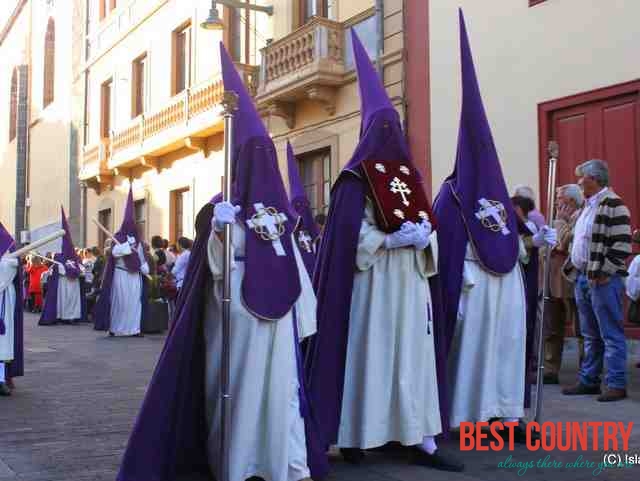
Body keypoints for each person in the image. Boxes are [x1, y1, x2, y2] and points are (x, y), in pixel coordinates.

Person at [115, 42, 327, 481]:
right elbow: (212, 271)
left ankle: (285, 463)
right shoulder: (220, 207)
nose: (264, 163)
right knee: (242, 395)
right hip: (238, 322)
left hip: (277, 323)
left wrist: (303, 312)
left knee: (280, 394)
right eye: (256, 157)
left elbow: (292, 263)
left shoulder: (280, 211)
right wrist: (218, 232)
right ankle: (239, 463)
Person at [306, 30, 460, 471]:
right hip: (372, 289)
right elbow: (347, 240)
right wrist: (386, 239)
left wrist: (423, 237)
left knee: (412, 360)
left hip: (410, 287)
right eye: (382, 127)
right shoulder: (353, 182)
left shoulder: (411, 178)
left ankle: (416, 435)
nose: (391, 133)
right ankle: (357, 437)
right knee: (370, 358)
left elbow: (427, 225)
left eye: (395, 126)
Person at [433, 10, 556, 441]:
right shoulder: (450, 195)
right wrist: (466, 274)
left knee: (505, 351)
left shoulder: (502, 198)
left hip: (506, 288)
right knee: (473, 354)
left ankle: (506, 414)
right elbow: (445, 246)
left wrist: (535, 242)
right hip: (473, 287)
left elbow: (513, 241)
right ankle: (468, 417)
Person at [561, 159, 632, 402]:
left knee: (610, 333)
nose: (579, 182)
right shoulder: (586, 207)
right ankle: (589, 381)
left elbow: (622, 244)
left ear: (595, 179)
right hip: (583, 277)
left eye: (582, 177)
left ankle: (616, 384)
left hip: (602, 280)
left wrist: (605, 273)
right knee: (589, 334)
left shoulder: (614, 204)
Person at [93, 188, 150, 337]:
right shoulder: (118, 237)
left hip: (135, 276)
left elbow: (142, 258)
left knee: (134, 304)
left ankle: (134, 329)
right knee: (120, 303)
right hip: (121, 275)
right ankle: (116, 329)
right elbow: (114, 252)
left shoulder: (138, 241)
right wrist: (126, 247)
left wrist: (145, 267)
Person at [543, 184, 585, 384]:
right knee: (552, 327)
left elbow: (563, 243)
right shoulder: (557, 220)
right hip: (551, 280)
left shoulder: (580, 217)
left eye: (559, 198)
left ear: (570, 201)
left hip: (569, 281)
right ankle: (550, 369)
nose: (556, 201)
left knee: (581, 328)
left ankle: (587, 371)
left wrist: (560, 223)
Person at [40, 207, 87, 325]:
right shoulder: (58, 257)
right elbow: (56, 270)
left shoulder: (75, 257)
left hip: (73, 283)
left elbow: (82, 268)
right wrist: (64, 269)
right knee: (63, 300)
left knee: (73, 301)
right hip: (64, 283)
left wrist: (77, 270)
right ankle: (62, 316)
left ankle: (73, 316)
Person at [287, 142, 320, 278]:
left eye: (304, 205)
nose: (302, 209)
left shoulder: (315, 235)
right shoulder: (288, 232)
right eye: (297, 206)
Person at [0, 223, 24, 396]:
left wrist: (8, 264)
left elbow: (10, 266)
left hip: (3, 297)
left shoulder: (6, 242)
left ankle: (0, 379)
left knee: (2, 342)